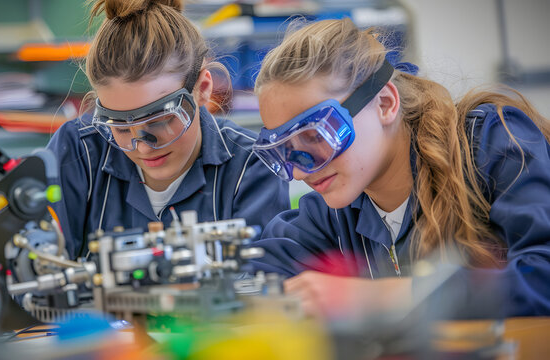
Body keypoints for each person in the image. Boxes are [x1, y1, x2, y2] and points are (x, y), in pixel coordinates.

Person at [250, 18, 550, 319]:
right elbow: (257, 277)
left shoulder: (493, 143)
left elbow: (542, 277)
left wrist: (374, 298)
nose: (301, 172)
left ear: (384, 103)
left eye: (316, 135)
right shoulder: (334, 212)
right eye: (284, 152)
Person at [47, 0, 289, 258]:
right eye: (119, 126)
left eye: (159, 119)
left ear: (202, 89)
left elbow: (262, 284)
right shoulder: (78, 150)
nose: (141, 146)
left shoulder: (253, 167)